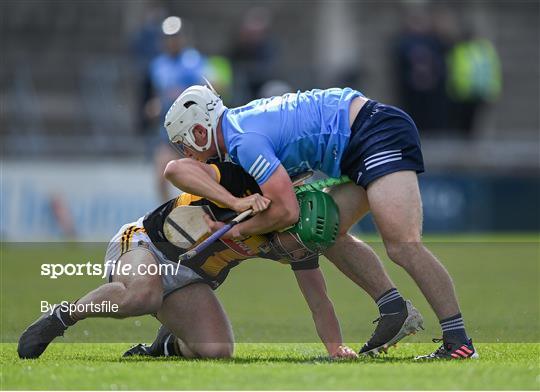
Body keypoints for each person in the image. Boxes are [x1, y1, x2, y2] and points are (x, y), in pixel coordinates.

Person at [162, 84, 477, 360]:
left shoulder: (243, 140)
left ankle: (459, 341)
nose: (189, 154)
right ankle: (394, 310)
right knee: (324, 230)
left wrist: (239, 231)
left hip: (375, 131)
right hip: (356, 143)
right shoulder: (239, 126)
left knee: (403, 246)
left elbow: (287, 212)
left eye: (184, 144)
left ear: (199, 132)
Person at [17, 162, 358, 360]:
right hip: (146, 245)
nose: (295, 252)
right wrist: (230, 206)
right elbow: (176, 171)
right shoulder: (241, 181)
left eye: (302, 248)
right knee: (143, 295)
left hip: (188, 280)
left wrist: (336, 349)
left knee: (217, 351)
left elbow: (319, 301)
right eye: (294, 242)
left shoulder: (300, 242)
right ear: (288, 218)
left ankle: (166, 345)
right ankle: (64, 315)